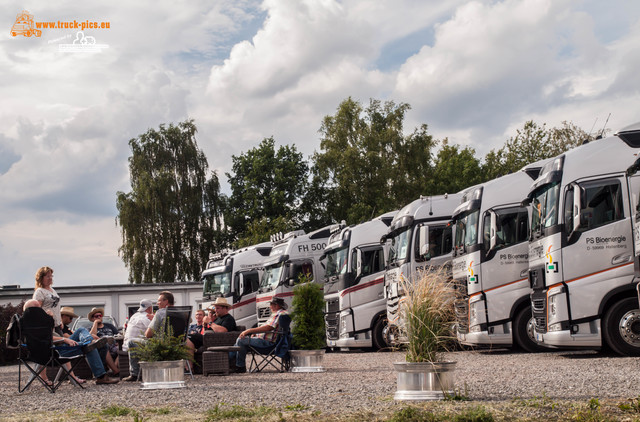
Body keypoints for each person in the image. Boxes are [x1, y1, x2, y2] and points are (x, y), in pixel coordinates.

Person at [22, 299, 119, 385]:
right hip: (57, 351)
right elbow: (48, 338)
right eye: (38, 308)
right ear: (32, 311)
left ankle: (88, 344)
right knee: (88, 343)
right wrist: (64, 339)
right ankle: (99, 372)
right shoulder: (33, 326)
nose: (41, 310)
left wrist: (50, 320)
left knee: (90, 338)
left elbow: (47, 336)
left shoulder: (32, 324)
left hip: (57, 348)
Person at [124, 291, 175, 382]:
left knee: (132, 342)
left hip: (160, 344)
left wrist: (154, 320)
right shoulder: (182, 311)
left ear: (166, 302)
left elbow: (148, 334)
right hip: (176, 343)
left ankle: (135, 374)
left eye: (159, 301)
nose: (157, 303)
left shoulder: (160, 313)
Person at [230, 297, 288, 373]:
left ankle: (236, 365)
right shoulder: (280, 313)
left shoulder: (280, 314)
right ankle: (232, 364)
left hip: (269, 344)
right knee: (239, 342)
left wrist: (249, 330)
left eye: (271, 304)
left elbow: (268, 328)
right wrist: (256, 334)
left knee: (241, 340)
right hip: (268, 341)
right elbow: (269, 329)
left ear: (276, 306)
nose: (269, 307)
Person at [88, 307, 119, 376]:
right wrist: (95, 323)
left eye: (100, 315)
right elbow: (91, 336)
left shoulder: (110, 326)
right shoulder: (90, 328)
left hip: (113, 345)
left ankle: (112, 369)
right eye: (96, 316)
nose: (99, 317)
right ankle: (116, 370)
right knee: (105, 346)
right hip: (102, 347)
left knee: (123, 348)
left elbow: (118, 335)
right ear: (93, 318)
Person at [32, 266, 63, 333]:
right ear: (41, 278)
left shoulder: (53, 290)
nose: (50, 278)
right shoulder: (40, 292)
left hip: (57, 325)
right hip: (47, 326)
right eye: (48, 276)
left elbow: (57, 307)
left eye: (51, 276)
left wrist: (60, 321)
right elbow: (37, 310)